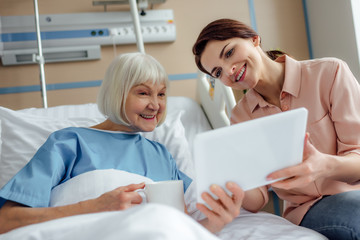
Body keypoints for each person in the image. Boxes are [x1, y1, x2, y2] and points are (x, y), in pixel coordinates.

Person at [0, 52, 244, 236]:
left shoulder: (161, 155)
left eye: (161, 94)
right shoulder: (69, 143)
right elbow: (7, 221)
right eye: (143, 93)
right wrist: (94, 206)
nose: (156, 105)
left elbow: (176, 229)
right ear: (117, 93)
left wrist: (215, 222)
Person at [193, 18, 360, 239]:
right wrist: (231, 183)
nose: (229, 70)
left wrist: (324, 165)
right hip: (308, 210)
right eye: (217, 72)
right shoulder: (241, 117)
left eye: (229, 53)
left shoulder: (329, 73)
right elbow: (258, 198)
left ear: (254, 39)